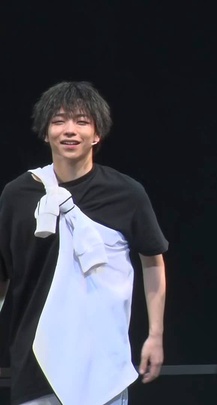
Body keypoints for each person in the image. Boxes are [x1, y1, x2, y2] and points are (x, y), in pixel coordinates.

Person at [0, 81, 168, 405]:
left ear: (97, 134)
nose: (69, 130)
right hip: (35, 367)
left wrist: (155, 335)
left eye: (81, 121)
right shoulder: (17, 196)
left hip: (102, 366)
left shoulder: (126, 194)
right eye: (59, 121)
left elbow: (153, 262)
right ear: (45, 132)